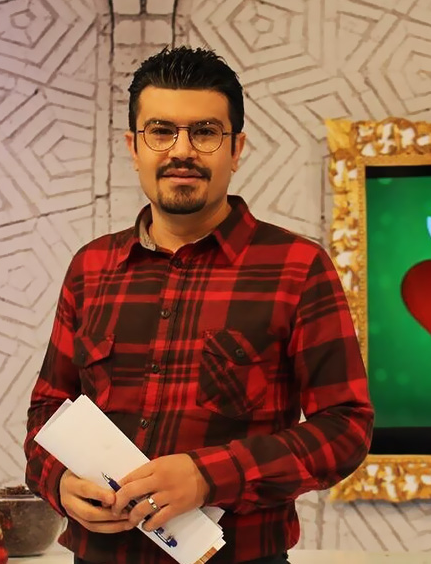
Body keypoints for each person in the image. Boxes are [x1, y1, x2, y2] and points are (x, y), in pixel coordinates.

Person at [24, 45, 374, 564]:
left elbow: (346, 428)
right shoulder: (91, 267)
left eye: (205, 132)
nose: (181, 150)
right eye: (161, 131)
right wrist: (58, 482)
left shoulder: (298, 268)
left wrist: (209, 476)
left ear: (236, 149)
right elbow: (47, 413)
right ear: (134, 147)